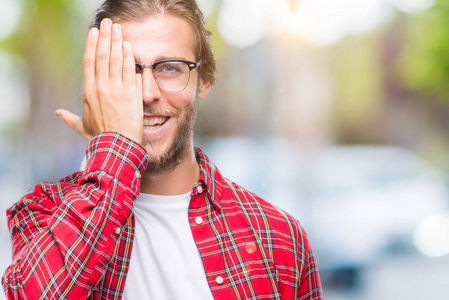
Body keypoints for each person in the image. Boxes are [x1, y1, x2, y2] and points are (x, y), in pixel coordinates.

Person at [2, 0, 323, 299]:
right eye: (127, 70)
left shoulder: (277, 237)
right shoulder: (43, 213)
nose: (147, 93)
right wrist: (115, 147)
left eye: (170, 68)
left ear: (204, 80)